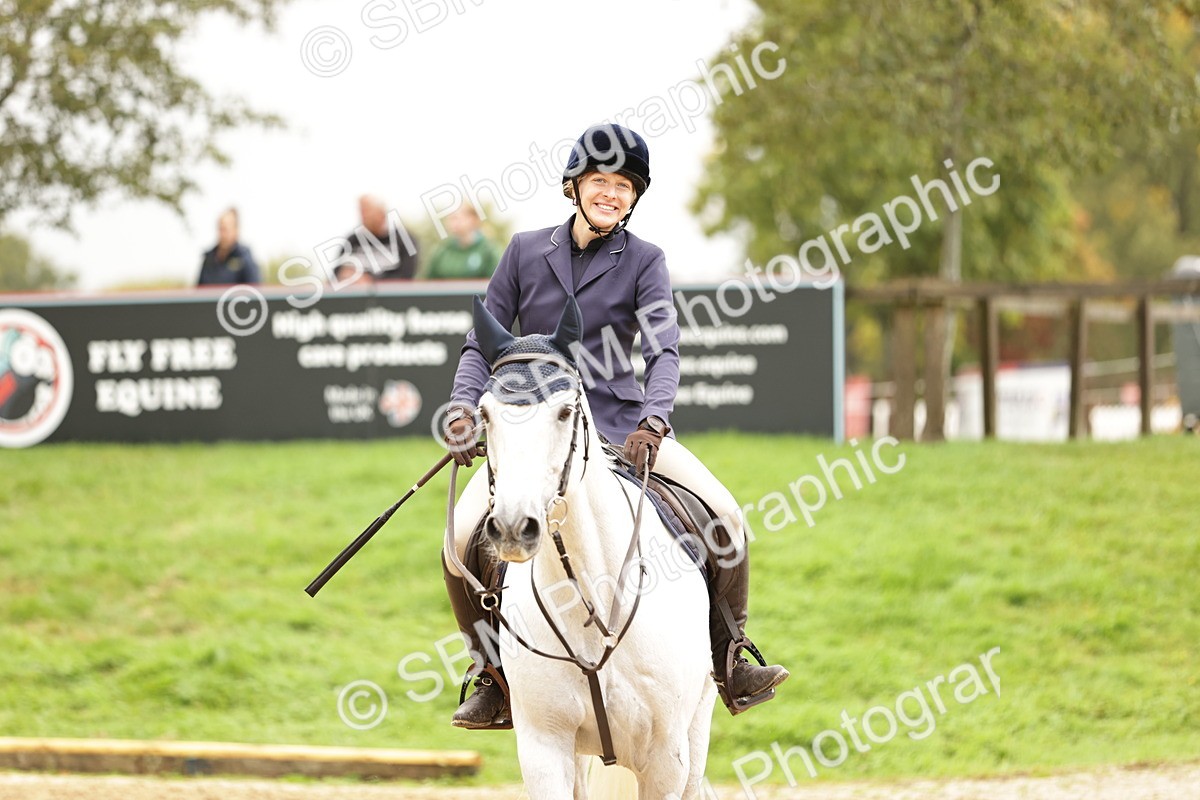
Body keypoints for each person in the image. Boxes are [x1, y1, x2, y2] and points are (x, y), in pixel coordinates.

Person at [440, 123, 789, 730]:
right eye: (600, 181)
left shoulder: (646, 261)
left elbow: (663, 351)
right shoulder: (524, 250)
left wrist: (655, 418)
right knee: (458, 539)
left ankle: (731, 660)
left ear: (634, 196)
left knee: (728, 517)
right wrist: (466, 410)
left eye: (624, 185)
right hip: (530, 429)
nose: (611, 193)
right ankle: (491, 677)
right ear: (575, 186)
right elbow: (481, 343)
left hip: (622, 424)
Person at [335, 195, 420, 282]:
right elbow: (336, 276)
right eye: (361, 211)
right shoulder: (352, 241)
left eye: (367, 210)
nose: (363, 215)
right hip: (356, 294)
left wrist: (370, 282)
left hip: (390, 294)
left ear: (381, 213)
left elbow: (406, 277)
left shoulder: (405, 239)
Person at [421, 204, 502, 280]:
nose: (451, 223)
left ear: (472, 220)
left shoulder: (489, 250)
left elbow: (498, 283)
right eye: (449, 219)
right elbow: (426, 281)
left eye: (456, 218)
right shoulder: (441, 251)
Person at [197, 208, 260, 286]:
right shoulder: (209, 259)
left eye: (226, 229)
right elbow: (199, 291)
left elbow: (255, 290)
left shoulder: (244, 257)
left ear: (236, 231)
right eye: (221, 229)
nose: (223, 234)